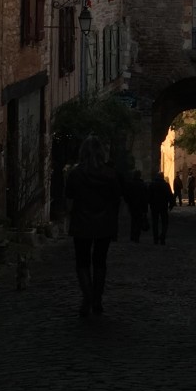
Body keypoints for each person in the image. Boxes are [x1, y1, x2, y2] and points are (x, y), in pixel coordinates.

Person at [65, 135, 122, 317]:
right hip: (104, 223)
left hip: (82, 222)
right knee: (100, 262)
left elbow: (69, 198)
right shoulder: (110, 174)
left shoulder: (75, 174)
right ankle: (96, 299)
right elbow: (116, 201)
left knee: (82, 261)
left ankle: (87, 297)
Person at [148, 171, 175, 245]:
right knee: (164, 222)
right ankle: (162, 237)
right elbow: (170, 195)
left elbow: (148, 196)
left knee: (155, 223)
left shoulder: (152, 185)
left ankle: (155, 239)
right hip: (163, 206)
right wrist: (171, 204)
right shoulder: (166, 185)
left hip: (154, 206)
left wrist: (149, 204)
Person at [124, 169, 149, 243]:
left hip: (132, 205)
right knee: (138, 221)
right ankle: (137, 236)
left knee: (133, 220)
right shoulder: (142, 184)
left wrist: (128, 202)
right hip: (140, 205)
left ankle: (132, 235)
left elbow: (126, 195)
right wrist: (145, 208)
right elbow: (145, 197)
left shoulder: (130, 184)